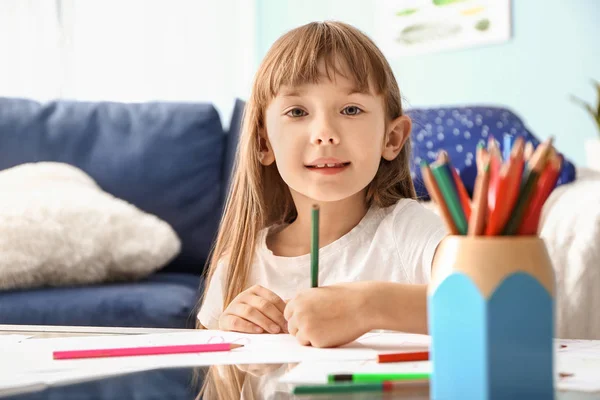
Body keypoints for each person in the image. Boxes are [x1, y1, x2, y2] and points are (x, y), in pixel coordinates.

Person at [195, 20, 446, 399]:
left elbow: (489, 309)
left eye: (350, 108)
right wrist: (235, 346)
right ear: (264, 143)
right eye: (297, 112)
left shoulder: (409, 231)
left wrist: (369, 307)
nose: (324, 132)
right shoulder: (239, 267)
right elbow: (220, 391)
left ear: (392, 138)